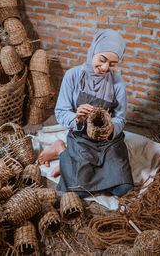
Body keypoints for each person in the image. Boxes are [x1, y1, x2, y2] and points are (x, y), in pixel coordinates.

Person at [38, 29, 134, 198]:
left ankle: (69, 163)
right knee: (79, 190)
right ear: (93, 51)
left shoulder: (118, 84)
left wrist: (111, 130)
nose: (105, 68)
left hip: (107, 142)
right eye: (102, 60)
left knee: (123, 189)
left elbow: (120, 118)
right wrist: (77, 118)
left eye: (112, 64)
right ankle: (61, 150)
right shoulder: (73, 76)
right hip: (82, 138)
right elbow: (61, 111)